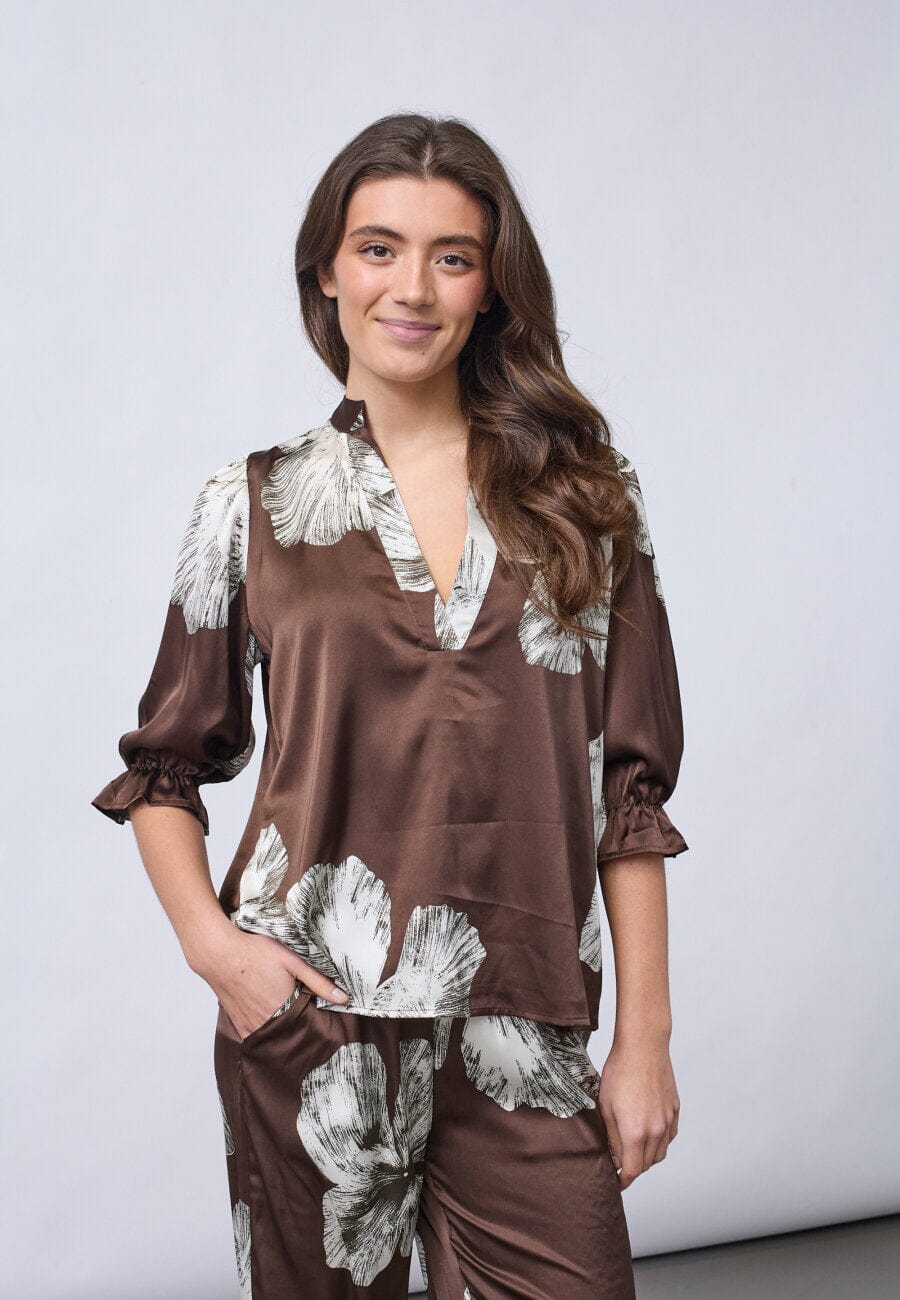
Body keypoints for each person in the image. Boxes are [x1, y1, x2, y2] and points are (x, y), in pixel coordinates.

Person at [91, 112, 689, 1300]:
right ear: (328, 269)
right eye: (378, 248)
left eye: (451, 256)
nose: (411, 287)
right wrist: (221, 956)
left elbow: (629, 789)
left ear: (490, 286)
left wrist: (646, 1039)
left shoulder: (587, 499)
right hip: (314, 1022)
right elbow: (165, 767)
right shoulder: (252, 504)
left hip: (529, 1020)